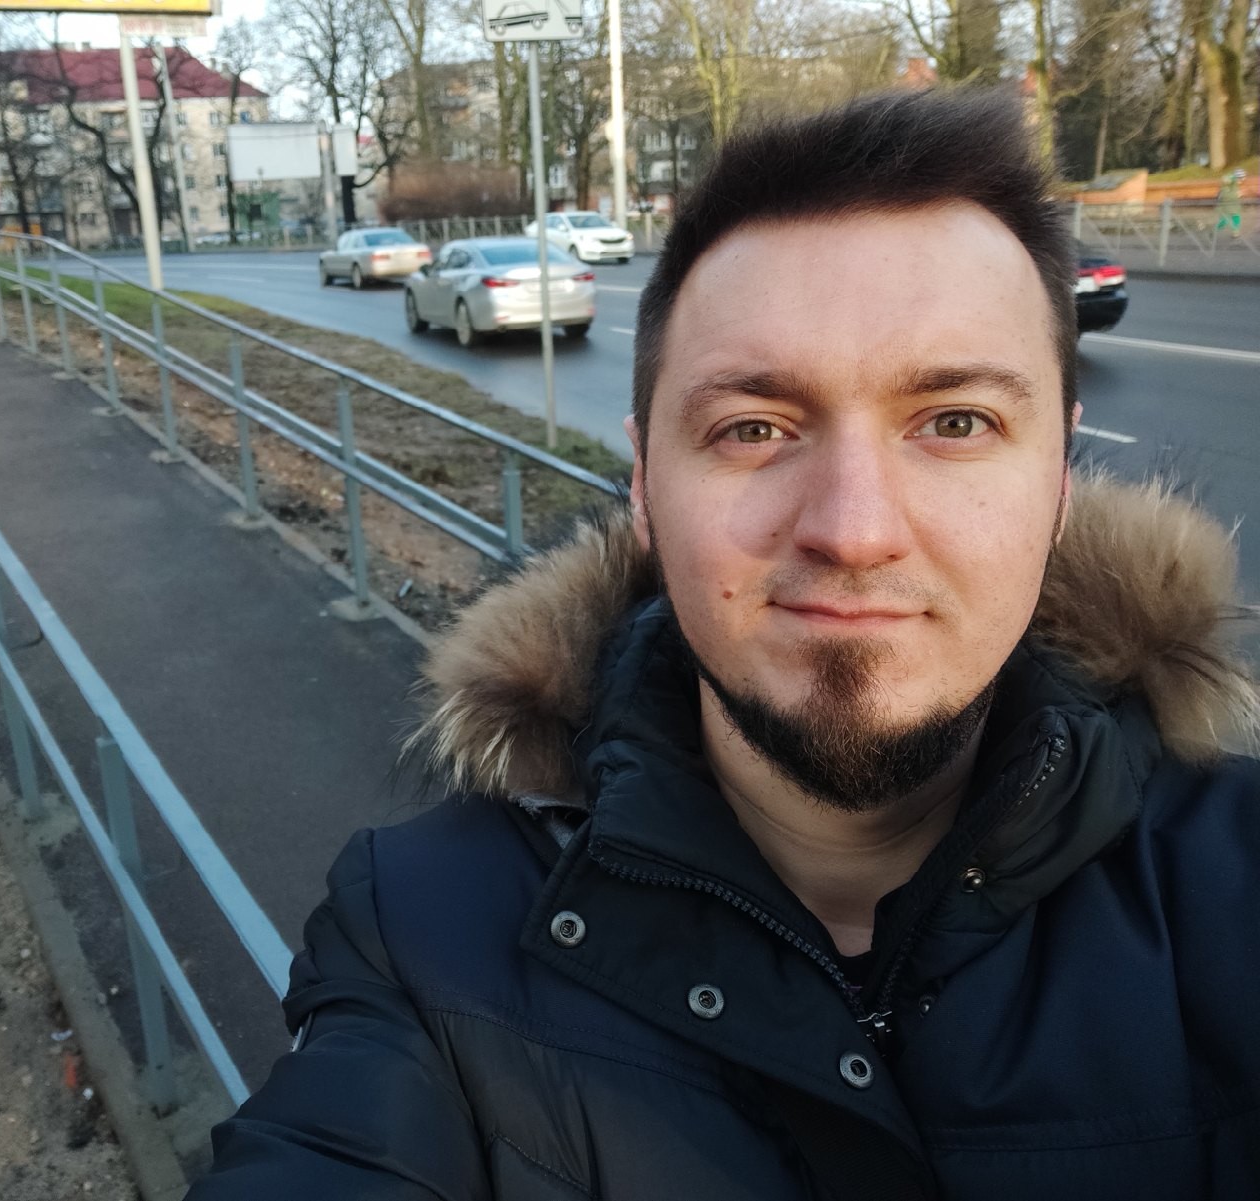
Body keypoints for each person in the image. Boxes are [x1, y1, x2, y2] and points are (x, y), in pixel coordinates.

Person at [187, 88, 1260, 1199]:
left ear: (1061, 481)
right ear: (644, 489)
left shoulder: (1233, 884)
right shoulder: (420, 929)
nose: (854, 530)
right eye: (753, 428)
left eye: (955, 422)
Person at [1216, 168, 1245, 238]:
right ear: (1238, 178)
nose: (1242, 181)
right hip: (1225, 204)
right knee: (1224, 220)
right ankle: (1214, 230)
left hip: (1233, 204)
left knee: (1236, 216)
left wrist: (1238, 194)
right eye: (1241, 179)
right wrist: (1237, 195)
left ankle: (1235, 232)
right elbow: (1224, 194)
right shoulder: (1230, 181)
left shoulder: (1234, 184)